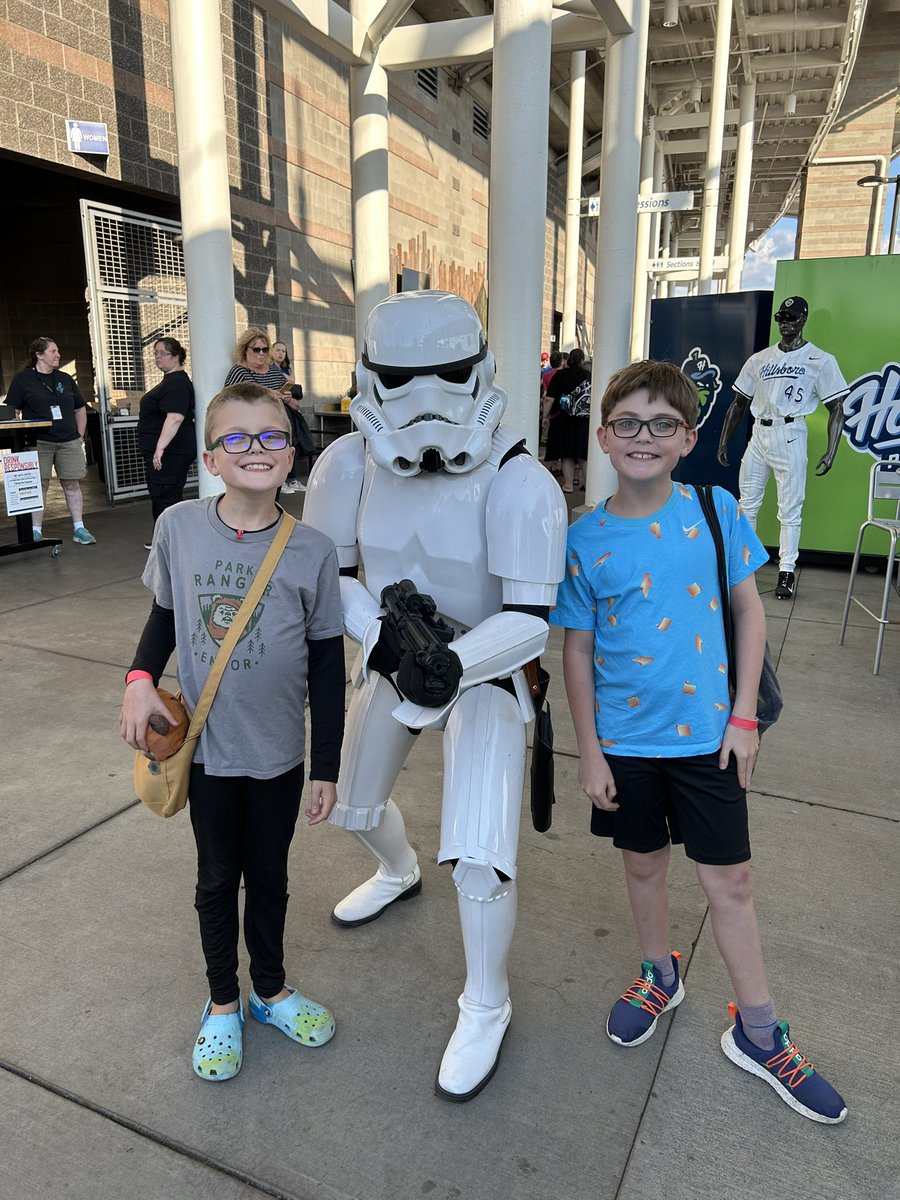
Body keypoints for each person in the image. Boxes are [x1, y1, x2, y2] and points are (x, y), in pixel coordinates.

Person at [552, 359, 847, 1125]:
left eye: (661, 425)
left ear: (686, 438)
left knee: (731, 885)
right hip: (625, 743)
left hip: (710, 742)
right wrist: (587, 750)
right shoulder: (584, 540)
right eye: (627, 423)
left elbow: (750, 616)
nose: (642, 436)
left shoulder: (715, 511)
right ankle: (660, 971)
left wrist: (744, 718)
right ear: (604, 436)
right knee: (643, 865)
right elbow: (576, 652)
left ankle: (757, 1031)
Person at [303, 291, 567, 1101]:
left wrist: (454, 664)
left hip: (483, 676)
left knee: (482, 857)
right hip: (392, 655)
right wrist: (382, 639)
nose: (426, 401)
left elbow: (528, 616)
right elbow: (331, 574)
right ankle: (398, 869)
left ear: (481, 371)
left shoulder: (521, 483)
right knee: (349, 803)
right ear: (369, 379)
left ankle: (486, 1002)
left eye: (449, 375)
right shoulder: (345, 465)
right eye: (402, 378)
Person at [119, 381, 345, 1082]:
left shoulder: (312, 550)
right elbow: (164, 615)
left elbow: (328, 665)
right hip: (209, 752)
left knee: (271, 877)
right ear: (211, 458)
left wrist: (326, 766)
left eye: (271, 436)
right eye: (237, 439)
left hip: (278, 754)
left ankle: (269, 991)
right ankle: (223, 1002)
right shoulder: (179, 528)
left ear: (292, 452)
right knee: (217, 877)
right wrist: (137, 681)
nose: (256, 449)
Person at [716, 296, 848, 600]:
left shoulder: (820, 359)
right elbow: (739, 403)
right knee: (747, 503)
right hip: (759, 434)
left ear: (803, 319)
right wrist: (724, 439)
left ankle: (786, 571)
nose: (784, 322)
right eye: (781, 317)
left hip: (791, 432)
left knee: (789, 510)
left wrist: (832, 449)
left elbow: (836, 407)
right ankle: (742, 566)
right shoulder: (760, 359)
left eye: (790, 317)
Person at [6, 336, 96, 545]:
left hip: (68, 441)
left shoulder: (65, 378)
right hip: (39, 442)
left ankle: (79, 528)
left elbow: (80, 407)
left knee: (72, 484)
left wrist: (80, 435)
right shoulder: (23, 379)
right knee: (40, 485)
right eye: (53, 351)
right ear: (39, 355)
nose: (58, 355)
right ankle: (35, 531)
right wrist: (18, 437)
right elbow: (13, 411)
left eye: (58, 351)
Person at [138, 337, 196, 549]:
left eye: (162, 353)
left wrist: (160, 448)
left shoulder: (177, 383)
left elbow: (175, 417)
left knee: (165, 493)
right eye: (155, 353)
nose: (157, 357)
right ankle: (167, 539)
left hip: (171, 451)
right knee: (164, 493)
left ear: (176, 356)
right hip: (166, 451)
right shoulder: (171, 381)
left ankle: (168, 542)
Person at [543, 347, 590, 493]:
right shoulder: (589, 375)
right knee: (582, 453)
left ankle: (568, 485)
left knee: (566, 453)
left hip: (563, 419)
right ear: (582, 360)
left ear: (568, 360)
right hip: (583, 420)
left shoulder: (560, 375)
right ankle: (589, 484)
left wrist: (545, 416)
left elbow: (549, 398)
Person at [271, 339, 311, 495]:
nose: (281, 353)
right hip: (277, 412)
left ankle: (292, 479)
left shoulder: (286, 368)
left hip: (289, 411)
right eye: (277, 350)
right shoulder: (270, 369)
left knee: (293, 443)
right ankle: (283, 481)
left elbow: (292, 384)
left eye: (283, 351)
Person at [223, 328, 288, 392]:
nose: (261, 353)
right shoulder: (239, 372)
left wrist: (288, 399)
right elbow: (229, 400)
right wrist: (269, 396)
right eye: (256, 350)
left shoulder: (276, 372)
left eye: (265, 349)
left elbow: (295, 400)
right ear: (245, 350)